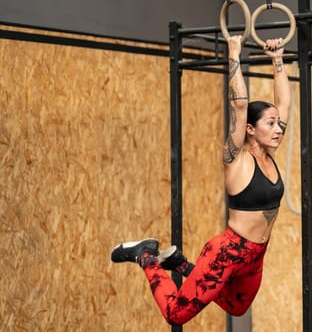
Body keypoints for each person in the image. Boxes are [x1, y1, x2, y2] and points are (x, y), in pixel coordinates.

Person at [110, 35, 291, 325]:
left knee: (236, 306)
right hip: (227, 252)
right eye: (270, 124)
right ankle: (145, 256)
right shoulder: (236, 158)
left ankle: (178, 263)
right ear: (250, 130)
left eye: (277, 123)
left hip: (256, 255)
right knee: (176, 314)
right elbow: (239, 106)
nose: (278, 128)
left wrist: (278, 58)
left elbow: (284, 103)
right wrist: (234, 52)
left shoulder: (269, 154)